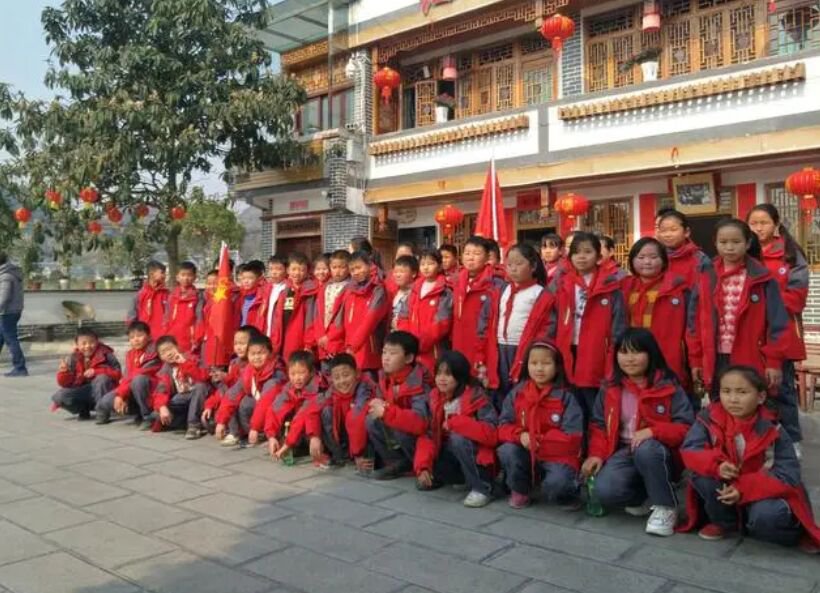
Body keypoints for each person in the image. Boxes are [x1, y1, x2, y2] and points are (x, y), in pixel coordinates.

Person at [680, 365, 820, 551]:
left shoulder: (773, 428)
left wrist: (743, 488)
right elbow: (690, 450)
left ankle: (792, 532)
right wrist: (717, 466)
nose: (733, 399)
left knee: (765, 518)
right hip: (726, 485)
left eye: (742, 392)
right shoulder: (708, 419)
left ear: (760, 397)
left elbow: (788, 474)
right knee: (703, 477)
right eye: (726, 391)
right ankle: (725, 523)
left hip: (762, 491)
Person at [582, 328, 694, 536]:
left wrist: (653, 431)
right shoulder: (610, 387)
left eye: (636, 352)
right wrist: (596, 454)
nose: (629, 359)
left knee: (647, 449)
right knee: (605, 491)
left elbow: (686, 428)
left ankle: (666, 507)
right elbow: (599, 425)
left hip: (660, 452)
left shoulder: (668, 386)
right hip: (624, 450)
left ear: (651, 354)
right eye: (624, 352)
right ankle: (644, 497)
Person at [689, 218, 788, 399]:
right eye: (723, 242)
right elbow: (694, 322)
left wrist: (773, 361)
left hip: (751, 356)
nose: (729, 247)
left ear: (748, 243)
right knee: (719, 404)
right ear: (715, 243)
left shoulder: (763, 278)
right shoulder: (705, 276)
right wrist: (696, 359)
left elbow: (777, 324)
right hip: (715, 357)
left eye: (736, 242)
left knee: (750, 404)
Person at [747, 204, 807, 456]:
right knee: (752, 388)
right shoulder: (745, 254)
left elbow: (797, 298)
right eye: (753, 223)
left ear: (776, 224)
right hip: (750, 333)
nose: (758, 228)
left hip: (781, 332)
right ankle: (759, 440)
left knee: (781, 389)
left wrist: (765, 299)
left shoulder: (790, 254)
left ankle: (791, 441)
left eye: (764, 223)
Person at [549, 231, 626, 426]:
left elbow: (618, 325)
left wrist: (615, 354)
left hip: (597, 351)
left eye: (587, 252)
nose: (581, 257)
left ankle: (598, 441)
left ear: (599, 256)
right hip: (567, 349)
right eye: (576, 252)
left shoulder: (611, 284)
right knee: (569, 404)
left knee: (595, 404)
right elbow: (551, 318)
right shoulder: (562, 283)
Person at [497, 342, 583, 510]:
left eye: (546, 363)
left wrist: (538, 440)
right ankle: (521, 490)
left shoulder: (566, 397)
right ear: (526, 365)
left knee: (557, 484)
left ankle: (568, 494)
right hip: (526, 451)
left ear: (557, 367)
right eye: (534, 363)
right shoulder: (517, 393)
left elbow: (573, 438)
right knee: (507, 450)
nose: (539, 369)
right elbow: (503, 426)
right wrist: (520, 435)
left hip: (556, 456)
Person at [415, 351, 498, 507]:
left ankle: (482, 488)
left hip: (477, 455)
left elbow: (491, 434)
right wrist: (423, 466)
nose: (441, 378)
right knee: (420, 435)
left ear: (460, 376)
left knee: (458, 438)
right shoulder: (434, 397)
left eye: (448, 374)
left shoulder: (476, 397)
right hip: (449, 452)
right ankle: (453, 478)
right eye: (438, 373)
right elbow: (428, 434)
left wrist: (456, 423)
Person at [622, 237, 696, 394]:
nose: (647, 262)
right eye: (641, 257)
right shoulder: (624, 287)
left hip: (668, 356)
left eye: (653, 257)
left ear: (663, 260)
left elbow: (692, 327)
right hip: (633, 355)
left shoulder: (679, 288)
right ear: (632, 261)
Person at [364, 331, 431, 480]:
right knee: (371, 419)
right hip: (398, 426)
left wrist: (386, 411)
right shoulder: (385, 376)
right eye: (384, 352)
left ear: (408, 358)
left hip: (422, 440)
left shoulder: (419, 382)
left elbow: (421, 423)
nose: (386, 358)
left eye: (393, 353)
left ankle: (417, 464)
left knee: (400, 427)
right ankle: (397, 463)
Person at [496, 243, 546, 406]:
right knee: (501, 386)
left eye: (519, 264)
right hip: (501, 346)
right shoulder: (503, 290)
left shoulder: (539, 292)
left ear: (533, 266)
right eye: (509, 264)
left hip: (523, 348)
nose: (513, 269)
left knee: (520, 388)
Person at [452, 236, 505, 390]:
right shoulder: (456, 281)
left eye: (476, 254)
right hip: (459, 342)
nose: (470, 258)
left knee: (480, 388)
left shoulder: (496, 283)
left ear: (487, 257)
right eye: (467, 253)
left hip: (482, 344)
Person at [310, 353, 377, 468]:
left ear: (357, 373)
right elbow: (311, 409)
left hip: (364, 439)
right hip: (348, 435)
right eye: (337, 378)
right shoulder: (333, 390)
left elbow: (357, 416)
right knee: (326, 412)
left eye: (346, 375)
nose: (342, 381)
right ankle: (340, 456)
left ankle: (363, 457)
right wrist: (314, 436)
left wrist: (357, 454)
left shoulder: (364, 388)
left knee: (367, 418)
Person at [95, 321, 160, 427]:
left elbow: (137, 374)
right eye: (132, 337)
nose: (136, 339)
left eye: (139, 336)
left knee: (138, 380)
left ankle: (148, 416)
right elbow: (127, 377)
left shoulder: (154, 352)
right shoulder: (130, 354)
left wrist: (121, 394)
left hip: (151, 391)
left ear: (149, 336)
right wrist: (122, 396)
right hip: (131, 389)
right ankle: (135, 412)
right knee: (105, 401)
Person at [399, 248, 452, 375]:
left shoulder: (445, 291)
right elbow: (403, 316)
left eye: (430, 263)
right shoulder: (414, 289)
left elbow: (442, 323)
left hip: (433, 350)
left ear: (440, 266)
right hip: (411, 349)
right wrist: (408, 343)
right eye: (423, 264)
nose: (426, 267)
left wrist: (420, 344)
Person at [263, 350, 323, 462]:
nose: (297, 378)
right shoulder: (288, 388)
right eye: (293, 374)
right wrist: (271, 436)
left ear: (311, 373)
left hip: (315, 431)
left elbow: (303, 415)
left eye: (301, 373)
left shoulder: (318, 389)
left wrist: (287, 444)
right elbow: (275, 409)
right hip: (297, 429)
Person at [51, 328, 122, 420]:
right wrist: (63, 373)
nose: (88, 346)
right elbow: (65, 384)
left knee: (102, 378)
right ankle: (83, 409)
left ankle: (103, 411)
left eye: (91, 342)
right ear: (77, 345)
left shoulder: (106, 354)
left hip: (104, 390)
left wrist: (96, 371)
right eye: (84, 343)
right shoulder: (73, 358)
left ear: (97, 342)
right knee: (60, 396)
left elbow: (118, 373)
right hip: (84, 390)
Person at [203, 325, 257, 444]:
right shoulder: (234, 363)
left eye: (243, 343)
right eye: (236, 343)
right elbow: (226, 387)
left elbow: (238, 388)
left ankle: (236, 432)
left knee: (234, 399)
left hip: (249, 397)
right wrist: (209, 405)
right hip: (235, 394)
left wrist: (227, 378)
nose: (238, 347)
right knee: (216, 406)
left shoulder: (254, 363)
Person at [151, 335, 211, 439]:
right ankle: (184, 421)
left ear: (177, 347)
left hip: (199, 397)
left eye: (170, 349)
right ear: (160, 357)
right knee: (157, 414)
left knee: (200, 386)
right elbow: (161, 390)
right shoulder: (165, 370)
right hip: (181, 399)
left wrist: (185, 363)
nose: (168, 353)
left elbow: (202, 377)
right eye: (163, 352)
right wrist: (162, 407)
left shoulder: (192, 358)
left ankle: (193, 425)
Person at [344, 251, 388, 376]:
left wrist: (354, 345)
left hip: (369, 347)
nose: (356, 272)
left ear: (369, 265)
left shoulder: (378, 289)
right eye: (352, 270)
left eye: (359, 267)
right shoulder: (350, 290)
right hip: (351, 348)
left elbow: (371, 319)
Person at [268, 252, 318, 361]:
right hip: (282, 337)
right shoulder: (284, 290)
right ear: (288, 270)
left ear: (307, 271)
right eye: (294, 269)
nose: (297, 273)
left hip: (298, 338)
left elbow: (311, 319)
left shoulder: (310, 291)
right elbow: (277, 318)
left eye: (301, 270)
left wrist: (309, 343)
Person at [655, 208, 715, 293]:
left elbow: (709, 294)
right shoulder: (655, 258)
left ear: (686, 232)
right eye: (663, 230)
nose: (667, 235)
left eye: (673, 229)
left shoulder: (701, 260)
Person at [314, 250, 351, 366]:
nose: (337, 271)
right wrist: (319, 335)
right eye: (334, 267)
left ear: (348, 268)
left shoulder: (350, 288)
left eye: (342, 267)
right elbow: (317, 314)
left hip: (338, 341)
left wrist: (330, 336)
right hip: (322, 341)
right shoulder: (325, 287)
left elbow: (342, 317)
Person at [165, 261, 204, 353]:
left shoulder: (198, 296)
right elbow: (167, 317)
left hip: (189, 338)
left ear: (195, 277)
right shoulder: (172, 295)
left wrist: (197, 338)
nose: (186, 278)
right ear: (177, 277)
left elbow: (199, 319)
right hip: (172, 336)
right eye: (183, 275)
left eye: (189, 275)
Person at [0, 252, 27, 376]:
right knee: (1, 336)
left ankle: (20, 368)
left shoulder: (5, 276)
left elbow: (4, 297)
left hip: (8, 312)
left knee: (11, 339)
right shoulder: (10, 273)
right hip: (12, 311)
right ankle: (20, 367)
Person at [127, 260, 169, 339]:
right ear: (151, 274)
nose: (164, 276)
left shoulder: (167, 295)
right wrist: (134, 334)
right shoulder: (140, 295)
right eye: (162, 273)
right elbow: (131, 317)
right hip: (144, 337)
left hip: (162, 337)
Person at [237, 260, 268, 332]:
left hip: (254, 334)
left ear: (259, 279)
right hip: (240, 332)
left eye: (250, 278)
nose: (246, 281)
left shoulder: (263, 297)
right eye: (243, 278)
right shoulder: (238, 296)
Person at [389, 255, 418, 331]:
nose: (397, 275)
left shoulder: (417, 294)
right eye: (395, 272)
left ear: (414, 273)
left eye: (402, 272)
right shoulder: (392, 293)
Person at [264, 254, 289, 338]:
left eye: (278, 269)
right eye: (271, 269)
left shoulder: (288, 289)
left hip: (281, 333)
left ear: (286, 270)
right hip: (267, 333)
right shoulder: (266, 288)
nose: (274, 272)